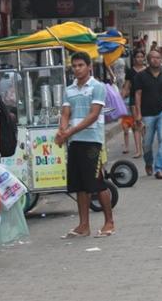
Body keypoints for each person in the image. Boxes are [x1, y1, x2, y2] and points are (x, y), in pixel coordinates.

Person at [55, 52, 115, 238]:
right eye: (74, 66)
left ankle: (109, 222)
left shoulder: (97, 87)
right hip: (75, 142)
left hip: (92, 141)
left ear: (89, 66)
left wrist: (69, 132)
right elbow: (65, 113)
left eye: (81, 65)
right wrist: (63, 130)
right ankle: (83, 225)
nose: (77, 69)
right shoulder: (69, 89)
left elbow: (93, 115)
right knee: (79, 185)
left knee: (96, 183)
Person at [134, 50, 162, 179]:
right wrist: (138, 114)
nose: (156, 60)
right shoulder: (140, 76)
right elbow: (138, 94)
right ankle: (149, 162)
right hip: (147, 114)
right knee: (147, 143)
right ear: (148, 60)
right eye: (153, 58)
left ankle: (160, 168)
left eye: (158, 57)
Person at [121, 49, 146, 158]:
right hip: (133, 100)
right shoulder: (130, 72)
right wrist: (119, 101)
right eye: (137, 57)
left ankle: (146, 147)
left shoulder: (148, 70)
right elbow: (126, 87)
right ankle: (138, 150)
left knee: (145, 125)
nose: (139, 59)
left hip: (147, 100)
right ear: (134, 59)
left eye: (141, 56)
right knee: (136, 124)